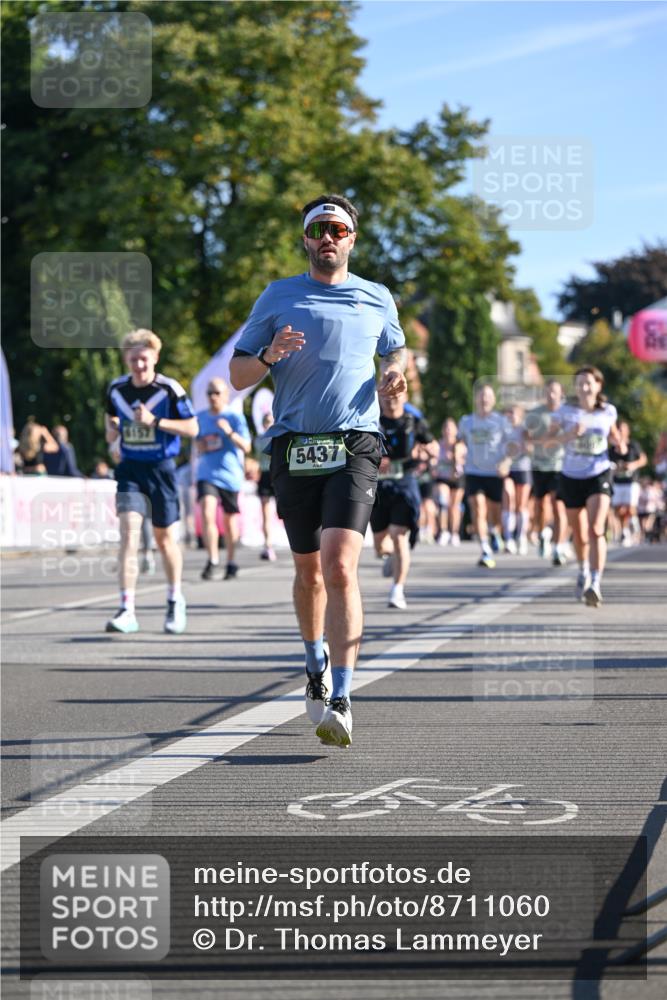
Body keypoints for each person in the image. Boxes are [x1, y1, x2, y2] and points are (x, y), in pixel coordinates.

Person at [229, 194, 407, 748]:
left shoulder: (377, 296)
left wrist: (395, 374)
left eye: (338, 229)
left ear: (352, 238)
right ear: (306, 239)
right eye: (318, 229)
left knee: (340, 568)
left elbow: (396, 351)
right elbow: (237, 376)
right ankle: (315, 663)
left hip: (356, 443)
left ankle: (343, 697)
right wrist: (268, 356)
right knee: (309, 573)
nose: (328, 237)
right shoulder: (278, 295)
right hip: (294, 446)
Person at [104, 329, 198, 634]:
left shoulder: (169, 389)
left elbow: (193, 428)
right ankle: (126, 609)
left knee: (164, 539)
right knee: (128, 535)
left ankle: (174, 599)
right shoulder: (116, 388)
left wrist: (155, 421)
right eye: (133, 359)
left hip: (161, 469)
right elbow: (110, 422)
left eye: (144, 359)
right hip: (130, 470)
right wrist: (113, 436)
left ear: (155, 357)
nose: (139, 365)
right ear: (126, 360)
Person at [553, 366, 621, 607]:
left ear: (598, 385)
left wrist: (619, 443)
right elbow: (549, 441)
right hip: (571, 475)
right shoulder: (565, 412)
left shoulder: (608, 411)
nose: (584, 387)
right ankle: (583, 568)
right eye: (579, 383)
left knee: (595, 528)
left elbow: (614, 435)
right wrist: (570, 435)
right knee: (580, 534)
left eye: (588, 382)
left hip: (598, 473)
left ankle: (595, 582)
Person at [371, 390, 436, 609]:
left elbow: (432, 445)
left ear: (405, 398)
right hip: (378, 486)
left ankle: (397, 590)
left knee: (399, 536)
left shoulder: (413, 422)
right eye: (386, 396)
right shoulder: (371, 420)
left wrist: (428, 451)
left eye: (396, 396)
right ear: (380, 398)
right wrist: (374, 460)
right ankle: (390, 556)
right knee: (381, 545)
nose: (391, 400)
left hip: (404, 484)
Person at [196, 377, 251, 580]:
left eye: (217, 393)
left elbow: (247, 447)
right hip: (207, 473)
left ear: (226, 395)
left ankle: (231, 561)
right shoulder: (200, 417)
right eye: (209, 393)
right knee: (207, 512)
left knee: (229, 520)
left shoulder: (234, 417)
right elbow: (197, 443)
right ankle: (212, 559)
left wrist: (229, 432)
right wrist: (200, 445)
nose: (213, 397)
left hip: (230, 475)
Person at [458, 384, 510, 569]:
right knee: (478, 507)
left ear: (493, 400)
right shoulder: (466, 421)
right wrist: (458, 457)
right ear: (476, 399)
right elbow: (460, 442)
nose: (484, 399)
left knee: (495, 513)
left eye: (488, 396)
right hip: (474, 471)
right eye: (481, 395)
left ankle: (494, 531)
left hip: (494, 472)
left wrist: (506, 462)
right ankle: (485, 549)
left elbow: (512, 446)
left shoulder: (501, 421)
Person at [525, 379, 568, 565]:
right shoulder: (535, 413)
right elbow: (526, 435)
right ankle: (543, 534)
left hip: (559, 465)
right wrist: (530, 444)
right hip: (539, 464)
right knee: (541, 505)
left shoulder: (567, 413)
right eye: (548, 391)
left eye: (554, 392)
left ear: (561, 394)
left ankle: (558, 547)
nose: (551, 395)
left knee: (558, 506)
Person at [609, 421, 647, 546]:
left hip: (631, 482)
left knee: (630, 507)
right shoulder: (612, 449)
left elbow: (643, 459)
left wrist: (633, 465)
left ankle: (634, 525)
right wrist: (615, 468)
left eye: (623, 429)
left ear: (627, 431)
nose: (620, 431)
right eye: (618, 429)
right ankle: (624, 531)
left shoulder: (633, 445)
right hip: (618, 482)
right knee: (619, 509)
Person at [502, 404, 531, 555]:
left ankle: (521, 537)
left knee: (521, 505)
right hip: (508, 469)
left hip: (523, 468)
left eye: (514, 413)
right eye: (509, 413)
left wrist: (525, 444)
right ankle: (508, 539)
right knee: (508, 499)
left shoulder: (524, 430)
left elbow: (530, 448)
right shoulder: (503, 430)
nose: (511, 416)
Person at [434, 418, 466, 547]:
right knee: (443, 501)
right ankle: (443, 531)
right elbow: (433, 462)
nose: (448, 431)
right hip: (442, 477)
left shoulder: (460, 446)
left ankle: (454, 533)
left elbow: (466, 461)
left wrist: (457, 458)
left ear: (456, 430)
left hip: (457, 478)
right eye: (446, 428)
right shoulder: (438, 445)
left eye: (451, 428)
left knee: (454, 507)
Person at [254, 411, 278, 561]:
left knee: (285, 511)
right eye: (266, 422)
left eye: (270, 421)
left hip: (277, 474)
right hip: (265, 475)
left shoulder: (276, 436)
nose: (268, 424)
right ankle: (268, 545)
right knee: (266, 513)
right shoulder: (260, 439)